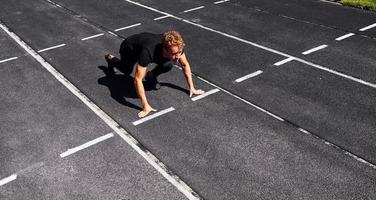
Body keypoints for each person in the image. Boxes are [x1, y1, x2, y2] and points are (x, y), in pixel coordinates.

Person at [105, 31, 204, 118]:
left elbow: (184, 64)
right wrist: (145, 106)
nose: (177, 56)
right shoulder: (148, 52)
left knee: (168, 65)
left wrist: (192, 87)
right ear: (165, 50)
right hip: (129, 48)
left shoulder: (176, 47)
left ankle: (150, 75)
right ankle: (110, 58)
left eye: (179, 52)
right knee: (126, 71)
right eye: (174, 54)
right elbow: (137, 80)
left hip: (146, 44)